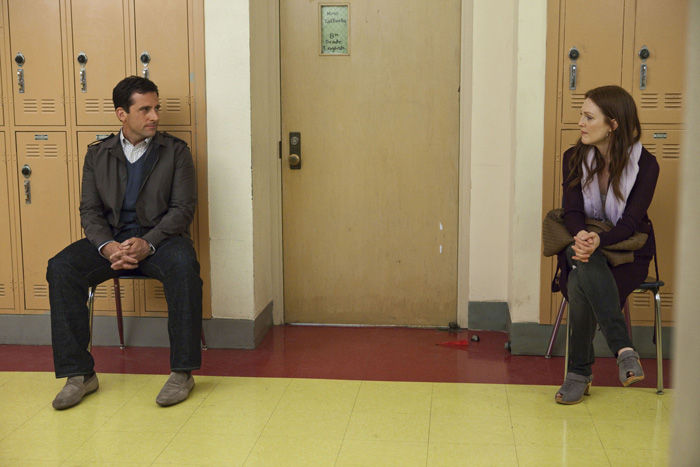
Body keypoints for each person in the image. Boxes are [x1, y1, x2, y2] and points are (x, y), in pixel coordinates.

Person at [47, 76, 203, 409]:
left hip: (161, 240)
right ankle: (79, 375)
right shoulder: (97, 154)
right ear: (122, 114)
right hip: (112, 242)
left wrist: (148, 243)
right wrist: (107, 247)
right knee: (61, 267)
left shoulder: (176, 152)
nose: (155, 116)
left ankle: (182, 373)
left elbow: (182, 210)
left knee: (184, 265)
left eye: (156, 108)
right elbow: (90, 211)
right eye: (145, 109)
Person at [555, 85, 659, 404]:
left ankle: (579, 373)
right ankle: (623, 349)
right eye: (581, 116)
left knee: (581, 276)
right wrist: (583, 236)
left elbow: (629, 224)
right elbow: (572, 211)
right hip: (583, 243)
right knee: (582, 260)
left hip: (627, 251)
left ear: (613, 124)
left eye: (589, 117)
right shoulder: (574, 157)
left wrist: (598, 239)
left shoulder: (646, 165)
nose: (580, 123)